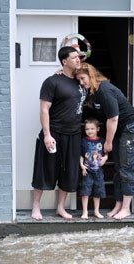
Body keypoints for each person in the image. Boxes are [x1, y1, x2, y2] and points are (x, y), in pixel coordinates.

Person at [75, 63, 134, 220]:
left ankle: (126, 208)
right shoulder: (94, 92)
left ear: (91, 75)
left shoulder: (105, 90)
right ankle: (118, 204)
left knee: (127, 167)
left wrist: (108, 142)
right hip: (120, 130)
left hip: (130, 128)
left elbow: (113, 118)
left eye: (83, 78)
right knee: (119, 168)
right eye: (79, 80)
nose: (81, 82)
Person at [31, 46, 87, 220]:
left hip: (74, 134)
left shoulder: (80, 80)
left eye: (79, 57)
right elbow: (44, 109)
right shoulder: (52, 81)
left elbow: (90, 71)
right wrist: (47, 135)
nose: (78, 60)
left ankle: (60, 208)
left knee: (69, 172)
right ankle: (36, 208)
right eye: (74, 57)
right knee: (44, 169)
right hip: (54, 132)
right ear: (64, 61)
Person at [79, 118, 108, 219]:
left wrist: (105, 158)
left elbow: (106, 153)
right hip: (87, 170)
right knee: (85, 190)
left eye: (92, 128)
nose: (89, 131)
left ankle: (96, 211)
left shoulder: (102, 141)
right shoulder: (83, 141)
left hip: (98, 170)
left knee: (98, 190)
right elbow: (81, 155)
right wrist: (82, 165)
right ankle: (85, 212)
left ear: (98, 129)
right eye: (87, 129)